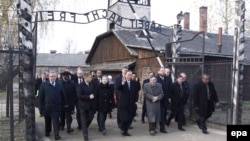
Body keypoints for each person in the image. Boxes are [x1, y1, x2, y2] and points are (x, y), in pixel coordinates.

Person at [39, 71, 68, 140]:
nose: (53, 78)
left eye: (54, 76)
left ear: (56, 77)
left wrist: (65, 104)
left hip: (56, 106)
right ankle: (47, 131)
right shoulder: (44, 85)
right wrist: (41, 107)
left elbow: (63, 95)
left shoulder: (59, 84)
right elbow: (41, 97)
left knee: (56, 121)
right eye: (51, 76)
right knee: (48, 120)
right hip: (47, 107)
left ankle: (56, 134)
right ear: (48, 77)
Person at [116, 70, 137, 136]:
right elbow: (118, 88)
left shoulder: (134, 83)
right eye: (128, 74)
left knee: (129, 118)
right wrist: (122, 83)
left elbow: (135, 93)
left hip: (131, 104)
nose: (129, 76)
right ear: (125, 75)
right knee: (124, 118)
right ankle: (122, 129)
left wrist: (135, 101)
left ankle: (126, 130)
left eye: (130, 75)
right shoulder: (122, 82)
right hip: (123, 103)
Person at [77, 73, 95, 141]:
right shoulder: (80, 86)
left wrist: (93, 95)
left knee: (90, 118)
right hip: (83, 106)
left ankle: (84, 128)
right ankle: (85, 135)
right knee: (83, 120)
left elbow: (93, 92)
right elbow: (79, 96)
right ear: (86, 78)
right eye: (90, 77)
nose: (91, 79)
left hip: (90, 105)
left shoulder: (91, 85)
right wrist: (88, 97)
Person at [156, 68, 172, 133]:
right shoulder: (156, 79)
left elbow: (170, 88)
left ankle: (162, 128)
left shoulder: (168, 78)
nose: (163, 72)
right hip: (158, 99)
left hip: (165, 99)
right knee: (157, 114)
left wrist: (169, 97)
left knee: (163, 114)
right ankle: (153, 127)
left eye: (163, 71)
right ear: (158, 71)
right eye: (161, 71)